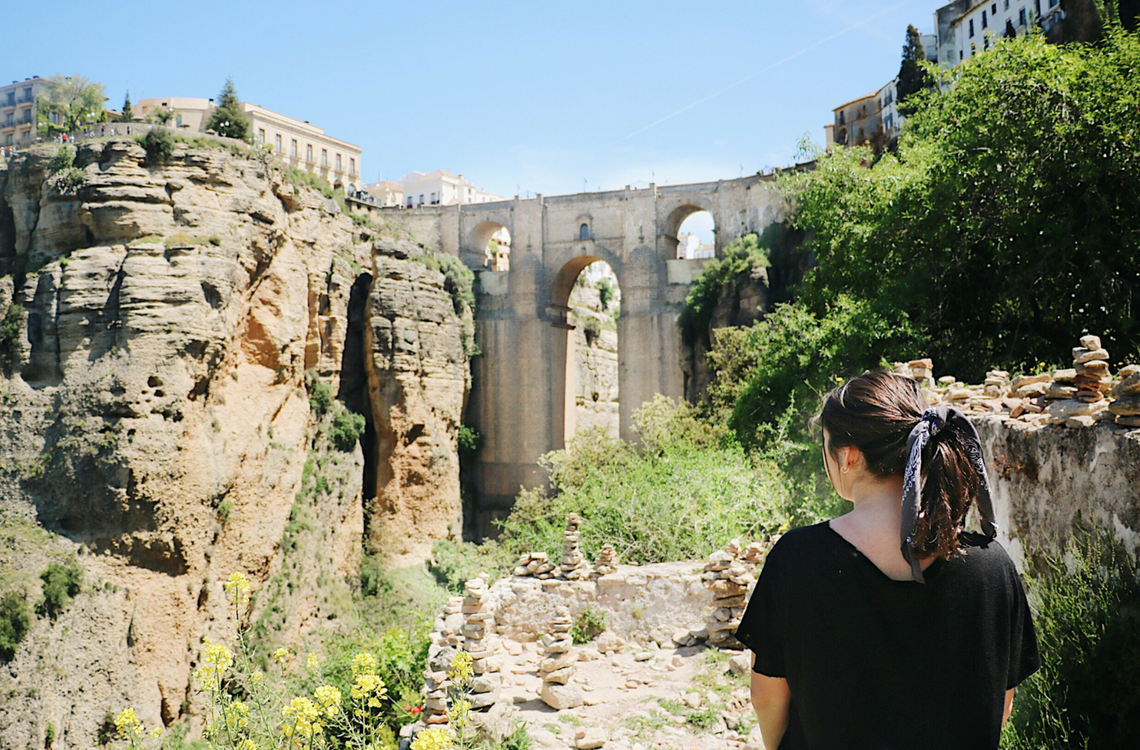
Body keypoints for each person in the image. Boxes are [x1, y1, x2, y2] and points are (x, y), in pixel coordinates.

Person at [736, 370, 1040, 750]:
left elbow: (766, 697)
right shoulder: (991, 565)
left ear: (847, 456)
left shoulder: (797, 559)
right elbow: (1000, 705)